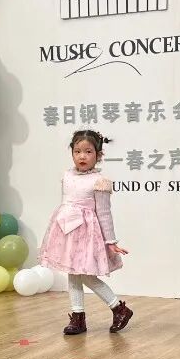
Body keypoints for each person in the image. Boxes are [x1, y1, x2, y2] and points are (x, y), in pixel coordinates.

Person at [39, 130, 133, 335]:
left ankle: (118, 308)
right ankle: (78, 317)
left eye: (88, 152)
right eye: (77, 151)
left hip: (86, 234)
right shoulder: (67, 175)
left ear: (99, 155)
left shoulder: (99, 181)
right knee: (73, 273)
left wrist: (110, 241)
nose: (82, 156)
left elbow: (104, 213)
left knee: (86, 275)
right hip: (66, 231)